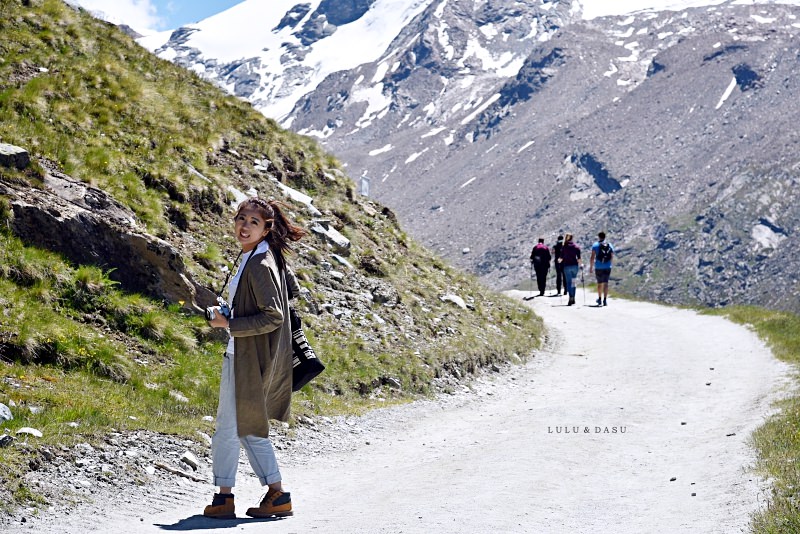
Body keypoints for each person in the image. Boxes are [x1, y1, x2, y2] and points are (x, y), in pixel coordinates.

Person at [203, 197, 306, 520]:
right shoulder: (252, 255)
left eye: (253, 222)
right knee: (246, 428)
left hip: (248, 359)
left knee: (229, 428)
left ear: (266, 229)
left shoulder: (261, 264)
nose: (244, 226)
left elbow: (273, 316)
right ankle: (275, 494)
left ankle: (225, 498)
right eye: (241, 218)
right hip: (244, 355)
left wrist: (228, 324)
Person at [589, 231, 615, 306]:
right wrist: (610, 264)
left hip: (598, 266)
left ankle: (599, 298)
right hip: (607, 267)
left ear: (599, 237)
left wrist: (591, 267)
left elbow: (592, 257)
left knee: (599, 283)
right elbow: (612, 255)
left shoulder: (595, 245)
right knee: (606, 283)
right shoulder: (609, 245)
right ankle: (605, 300)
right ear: (605, 237)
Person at [558, 233, 582, 306]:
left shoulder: (564, 247)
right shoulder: (576, 247)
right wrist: (581, 265)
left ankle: (570, 296)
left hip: (567, 266)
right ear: (572, 238)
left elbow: (561, 258)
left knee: (568, 282)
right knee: (573, 282)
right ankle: (573, 297)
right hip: (575, 266)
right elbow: (579, 259)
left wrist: (558, 261)